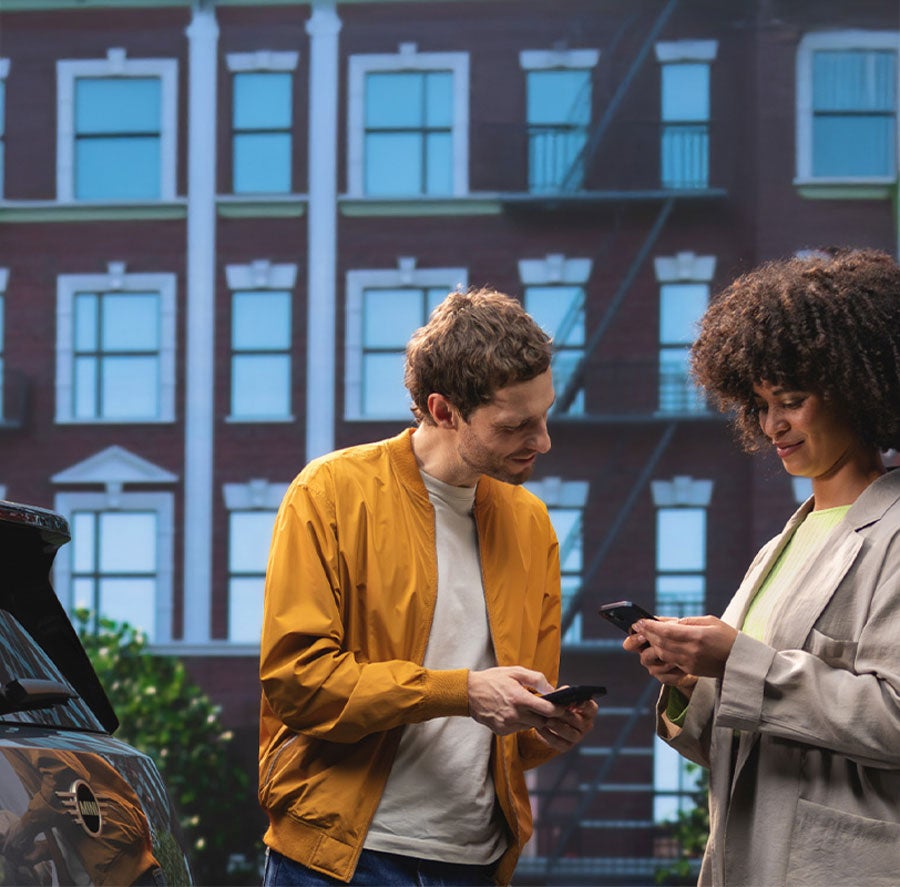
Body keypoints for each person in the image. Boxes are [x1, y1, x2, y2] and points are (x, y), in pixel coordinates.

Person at [258, 287, 598, 886]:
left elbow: (507, 727)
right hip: (340, 861)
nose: (542, 441)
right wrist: (459, 691)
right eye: (517, 425)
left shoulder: (531, 523)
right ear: (443, 411)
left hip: (477, 863)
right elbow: (299, 683)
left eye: (545, 415)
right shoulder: (330, 493)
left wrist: (548, 726)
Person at [624, 248, 900, 886]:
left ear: (859, 391)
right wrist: (695, 683)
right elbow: (746, 736)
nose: (772, 424)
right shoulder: (778, 549)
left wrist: (739, 662)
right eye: (759, 404)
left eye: (792, 400)